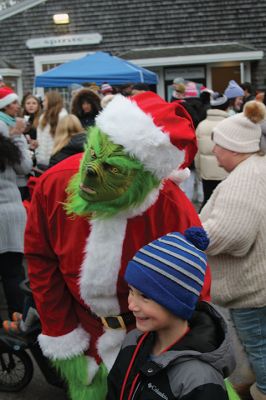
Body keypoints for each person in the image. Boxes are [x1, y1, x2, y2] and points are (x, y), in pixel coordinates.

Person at [25, 91, 211, 400]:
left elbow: (193, 291)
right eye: (93, 153)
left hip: (148, 341)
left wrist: (171, 355)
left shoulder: (170, 206)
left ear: (144, 179)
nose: (89, 173)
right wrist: (63, 334)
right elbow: (42, 263)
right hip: (84, 335)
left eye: (112, 168)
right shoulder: (55, 183)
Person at [107, 228, 235, 400]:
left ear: (177, 303)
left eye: (144, 296)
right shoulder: (133, 340)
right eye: (131, 291)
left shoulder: (200, 379)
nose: (131, 305)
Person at [200, 100, 266, 400]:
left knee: (260, 349)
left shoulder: (244, 180)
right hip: (255, 287)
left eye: (218, 145)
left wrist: (194, 236)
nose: (214, 151)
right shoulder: (255, 169)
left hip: (252, 291)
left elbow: (233, 234)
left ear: (234, 147)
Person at [0, 126, 32, 319]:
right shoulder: (8, 148)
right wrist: (19, 137)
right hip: (11, 213)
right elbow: (25, 167)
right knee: (13, 272)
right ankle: (19, 319)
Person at [195, 93, 229, 207]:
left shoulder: (201, 125)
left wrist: (199, 171)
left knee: (208, 202)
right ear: (226, 107)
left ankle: (203, 223)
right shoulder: (229, 124)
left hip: (207, 174)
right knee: (224, 204)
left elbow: (197, 152)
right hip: (226, 172)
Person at [0, 86, 33, 199]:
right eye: (14, 102)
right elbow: (23, 166)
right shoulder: (4, 125)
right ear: (4, 106)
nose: (18, 106)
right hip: (12, 185)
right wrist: (18, 134)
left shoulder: (9, 122)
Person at [35, 91, 67, 171]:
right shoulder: (43, 117)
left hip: (57, 160)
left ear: (52, 101)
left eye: (45, 100)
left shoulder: (63, 117)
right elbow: (40, 139)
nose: (42, 102)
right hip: (42, 160)